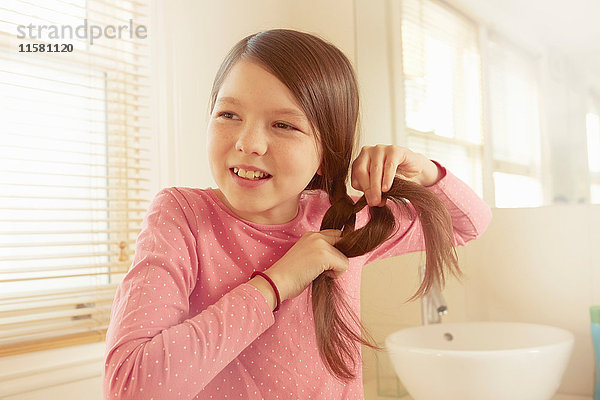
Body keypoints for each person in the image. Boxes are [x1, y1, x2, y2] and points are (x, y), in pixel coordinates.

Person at [103, 28, 492, 399]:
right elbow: (130, 386)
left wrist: (423, 168)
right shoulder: (181, 216)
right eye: (228, 115)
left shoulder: (343, 223)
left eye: (284, 124)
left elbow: (469, 224)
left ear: (326, 153)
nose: (248, 143)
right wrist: (276, 284)